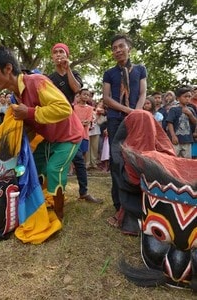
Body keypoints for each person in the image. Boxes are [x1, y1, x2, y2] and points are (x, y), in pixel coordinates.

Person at [0, 45, 85, 220]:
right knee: (30, 167)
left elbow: (64, 108)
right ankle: (38, 204)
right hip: (50, 138)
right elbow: (27, 128)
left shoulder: (36, 81)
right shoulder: (14, 97)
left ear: (8, 68)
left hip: (69, 136)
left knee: (53, 169)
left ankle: (58, 215)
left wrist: (29, 112)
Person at [48, 43, 103, 204]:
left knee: (78, 158)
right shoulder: (49, 78)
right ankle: (53, 194)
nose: (58, 54)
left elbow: (76, 88)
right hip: (54, 122)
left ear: (67, 55)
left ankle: (84, 192)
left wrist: (68, 69)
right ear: (52, 57)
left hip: (69, 123)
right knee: (53, 159)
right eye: (56, 52)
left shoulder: (74, 73)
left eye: (61, 52)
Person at [102, 33, 147, 228]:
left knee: (136, 159)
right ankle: (119, 203)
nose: (118, 50)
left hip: (135, 120)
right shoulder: (109, 73)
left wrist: (136, 113)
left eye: (121, 46)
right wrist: (128, 111)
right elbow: (106, 98)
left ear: (129, 48)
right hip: (115, 120)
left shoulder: (140, 69)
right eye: (114, 48)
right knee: (116, 159)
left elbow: (143, 92)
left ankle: (137, 202)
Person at [166, 86, 197, 158]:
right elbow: (170, 123)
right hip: (176, 139)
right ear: (178, 98)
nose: (187, 98)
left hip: (188, 139)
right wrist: (173, 136)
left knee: (187, 160)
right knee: (174, 158)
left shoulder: (191, 109)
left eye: (189, 96)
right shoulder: (174, 109)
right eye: (185, 96)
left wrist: (190, 114)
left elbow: (195, 122)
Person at [74, 88, 94, 160]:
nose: (86, 96)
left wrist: (79, 122)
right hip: (75, 135)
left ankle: (83, 169)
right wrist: (81, 122)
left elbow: (88, 121)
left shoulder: (90, 108)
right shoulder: (74, 108)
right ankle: (72, 169)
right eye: (84, 94)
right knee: (74, 152)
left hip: (85, 134)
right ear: (79, 95)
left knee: (84, 152)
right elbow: (74, 121)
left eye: (88, 95)